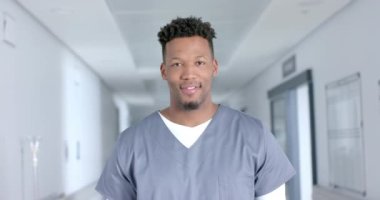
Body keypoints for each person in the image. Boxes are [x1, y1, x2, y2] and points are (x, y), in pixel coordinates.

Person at [96, 16, 295, 200]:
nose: (189, 74)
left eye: (199, 62)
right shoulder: (132, 143)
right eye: (177, 64)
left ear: (214, 67)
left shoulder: (254, 135)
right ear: (164, 71)